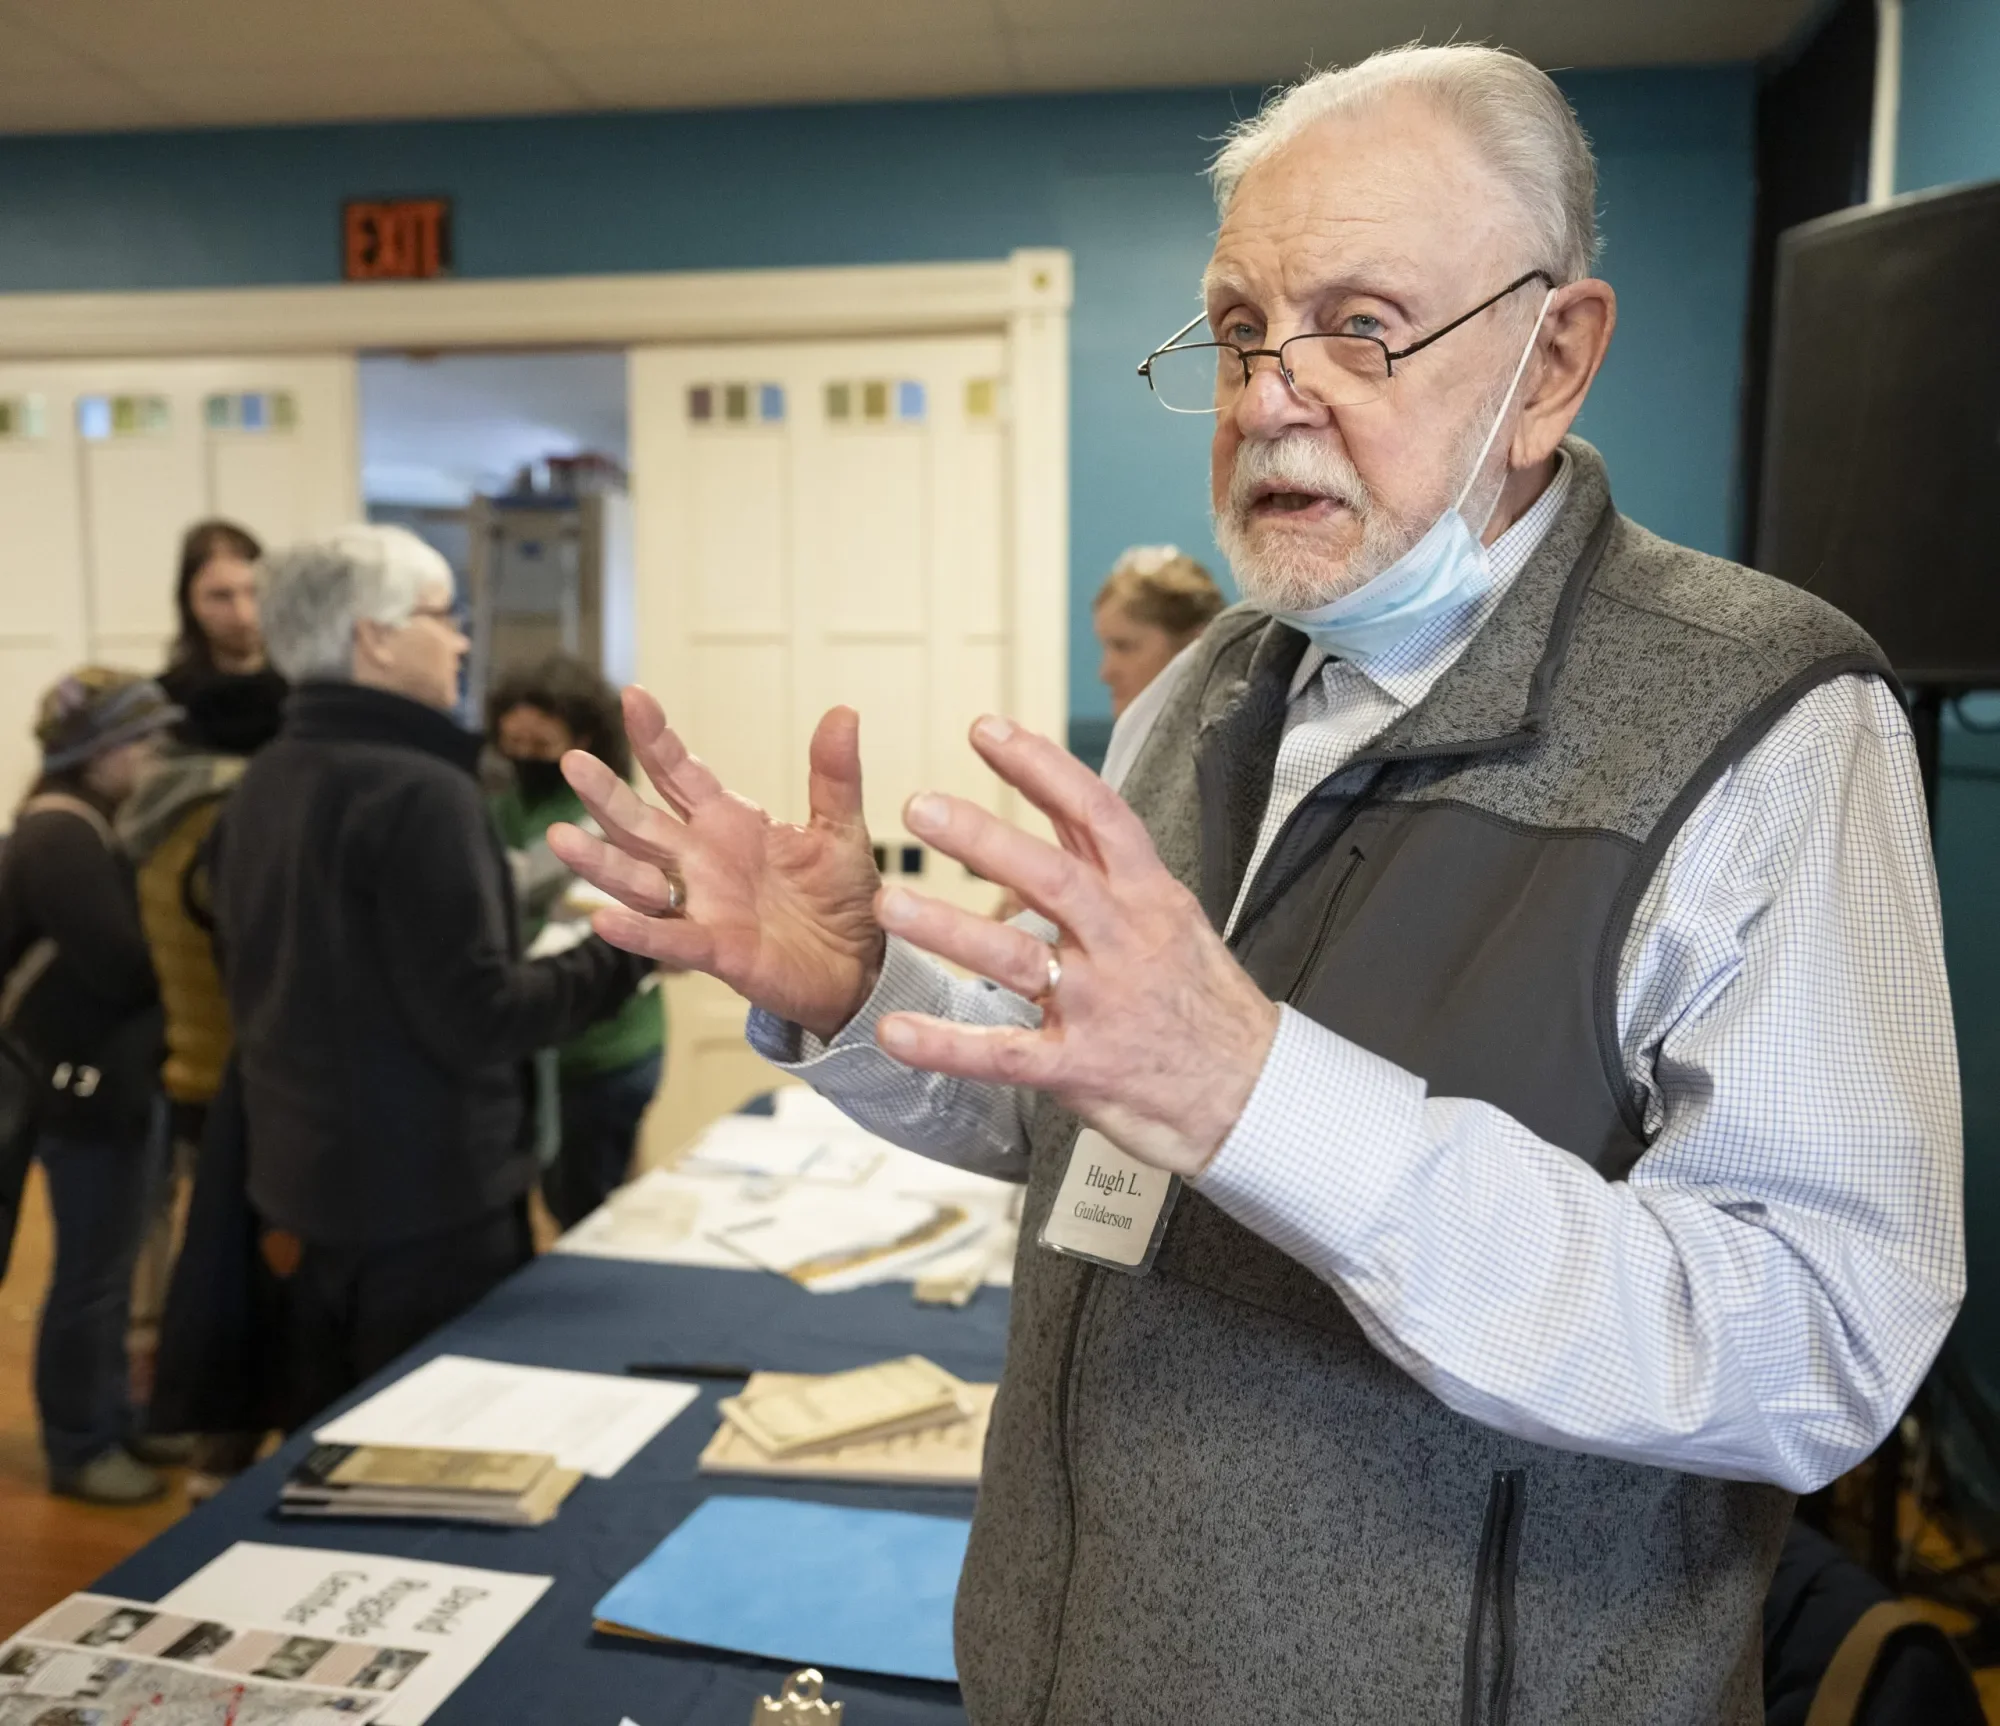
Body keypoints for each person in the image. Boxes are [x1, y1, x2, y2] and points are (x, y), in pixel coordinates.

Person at [552, 44, 1963, 1725]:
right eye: (1239, 332)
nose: (1270, 395)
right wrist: (862, 999)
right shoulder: (1211, 681)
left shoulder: (1774, 720)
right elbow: (1085, 1110)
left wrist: (1264, 1092)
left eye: (1360, 327)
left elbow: (1817, 1346)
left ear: (1551, 359)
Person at [210, 526, 651, 1430]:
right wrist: (638, 942)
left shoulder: (266, 779)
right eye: (442, 616)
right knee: (435, 1449)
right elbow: (481, 1017)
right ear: (373, 636)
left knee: (328, 1445)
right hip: (426, 1205)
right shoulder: (421, 793)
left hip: (305, 1180)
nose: (461, 640)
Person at [0, 671, 181, 1503]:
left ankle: (111, 1418)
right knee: (92, 1273)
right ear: (101, 751)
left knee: (104, 1267)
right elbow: (125, 969)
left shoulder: (77, 828)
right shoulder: (60, 837)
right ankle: (81, 1441)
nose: (152, 759)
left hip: (94, 1086)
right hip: (77, 1091)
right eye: (142, 742)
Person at [488, 655, 667, 1230]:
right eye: (511, 741)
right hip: (541, 1052)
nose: (521, 756)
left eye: (538, 744)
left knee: (586, 1210)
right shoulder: (502, 804)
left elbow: (565, 938)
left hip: (606, 1050)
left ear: (582, 739)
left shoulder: (604, 818)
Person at [1090, 545, 1223, 792]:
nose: (1106, 673)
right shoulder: (1131, 752)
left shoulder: (1222, 761)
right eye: (1106, 647)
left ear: (1194, 647)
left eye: (1124, 647)